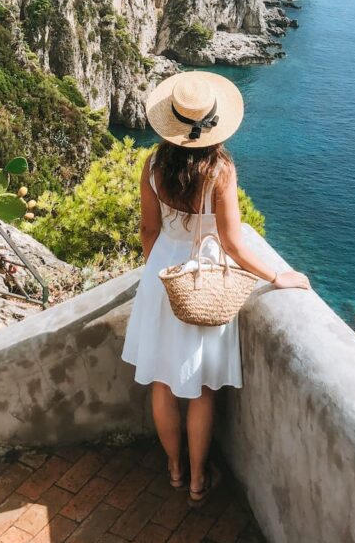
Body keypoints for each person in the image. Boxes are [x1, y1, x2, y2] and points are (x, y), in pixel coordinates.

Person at [121, 70, 310, 507]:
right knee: (202, 389)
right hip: (204, 279)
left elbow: (148, 232)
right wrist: (276, 276)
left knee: (163, 384)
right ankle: (198, 480)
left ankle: (172, 470)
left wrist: (160, 273)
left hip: (162, 278)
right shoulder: (220, 170)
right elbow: (233, 244)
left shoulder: (151, 165)